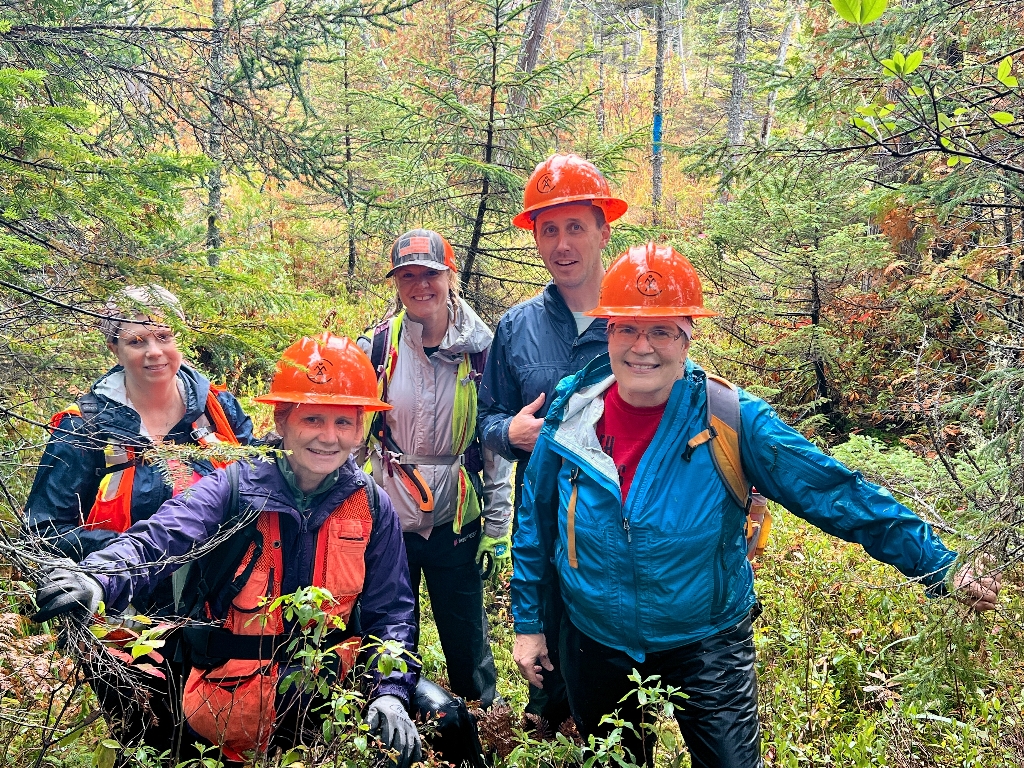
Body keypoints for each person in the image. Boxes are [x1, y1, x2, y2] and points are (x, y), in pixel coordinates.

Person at [511, 243, 1002, 768]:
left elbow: (834, 491)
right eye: (627, 327)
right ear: (607, 331)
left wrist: (938, 564)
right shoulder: (572, 411)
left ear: (687, 335)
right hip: (595, 637)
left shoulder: (730, 418)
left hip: (706, 640)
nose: (642, 347)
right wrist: (528, 623)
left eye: (662, 330)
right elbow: (536, 521)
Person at [31, 334, 425, 765]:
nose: (328, 438)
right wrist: (98, 578)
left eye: (343, 422)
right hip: (226, 704)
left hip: (325, 701)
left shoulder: (371, 504)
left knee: (445, 719)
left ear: (360, 429)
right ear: (281, 420)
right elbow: (161, 536)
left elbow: (392, 614)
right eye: (313, 419)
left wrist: (391, 693)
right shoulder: (235, 487)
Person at [25, 284, 254, 751]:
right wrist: (121, 548)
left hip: (219, 613)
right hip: (123, 615)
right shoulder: (84, 426)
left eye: (163, 336)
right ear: (113, 347)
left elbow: (259, 492)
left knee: (213, 743)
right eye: (136, 341)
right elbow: (43, 531)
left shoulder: (218, 411)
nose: (155, 352)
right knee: (144, 741)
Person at [477, 153, 628, 727]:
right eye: (549, 230)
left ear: (602, 230)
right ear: (535, 238)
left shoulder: (633, 321)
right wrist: (506, 431)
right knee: (547, 686)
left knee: (614, 692)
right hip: (542, 524)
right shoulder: (516, 327)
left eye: (575, 227)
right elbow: (487, 418)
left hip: (617, 528)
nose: (562, 244)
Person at [359, 229, 513, 710]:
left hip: (456, 515)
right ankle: (393, 719)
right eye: (408, 276)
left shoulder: (483, 349)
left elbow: (496, 444)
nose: (419, 285)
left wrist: (498, 525)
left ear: (450, 277)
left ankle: (481, 719)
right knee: (388, 628)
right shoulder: (378, 348)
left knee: (466, 632)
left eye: (430, 274)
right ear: (396, 284)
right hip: (389, 513)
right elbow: (352, 436)